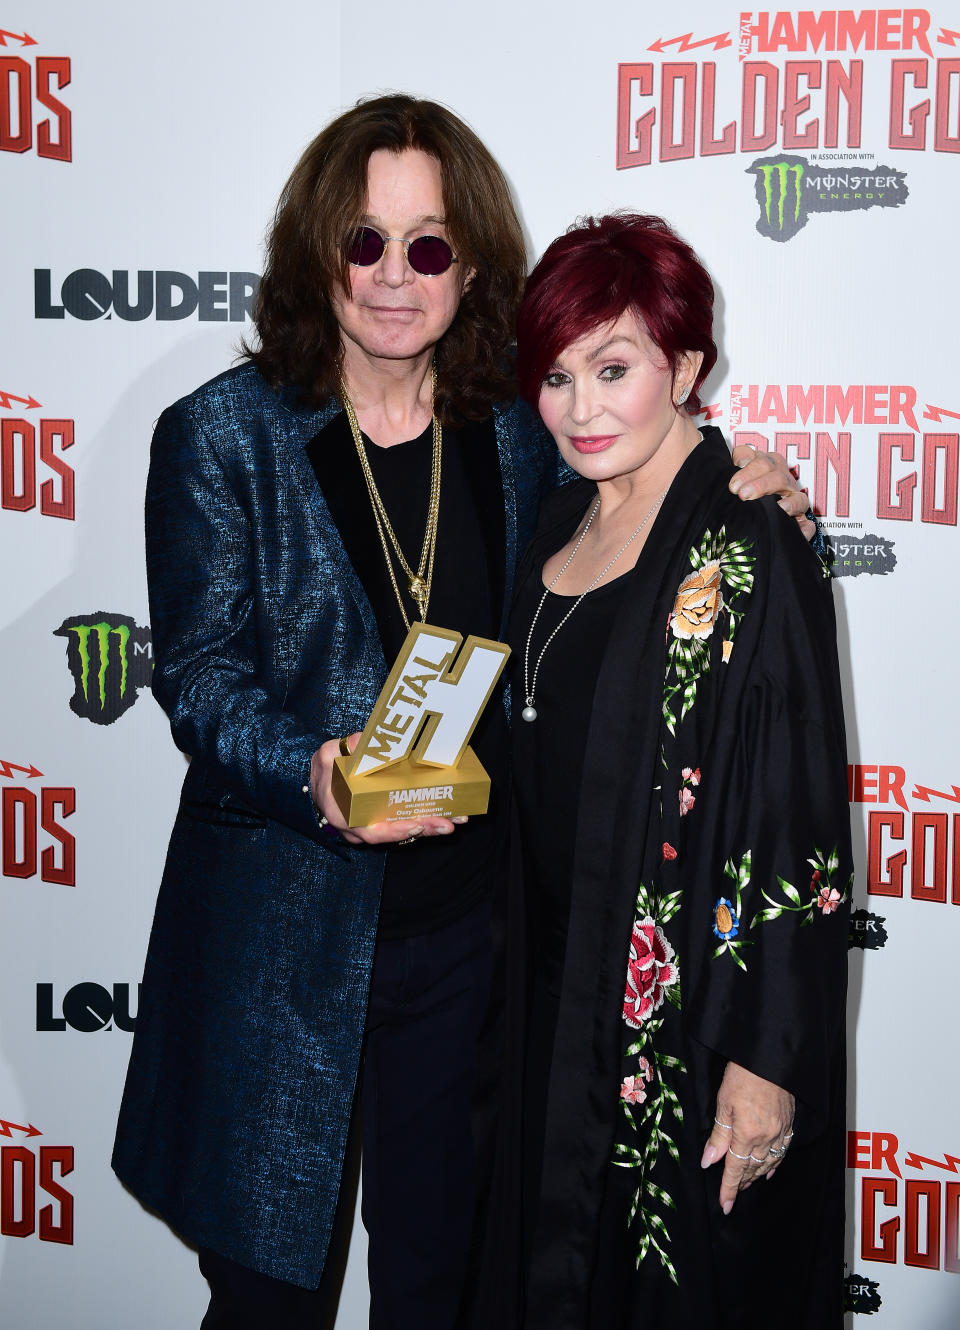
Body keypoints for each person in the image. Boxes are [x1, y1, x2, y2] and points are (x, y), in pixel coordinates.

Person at [111, 97, 811, 1330]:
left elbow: (630, 480)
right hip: (284, 945)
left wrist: (745, 477)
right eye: (363, 242)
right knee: (268, 1302)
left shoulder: (515, 433)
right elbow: (201, 676)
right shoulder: (221, 437)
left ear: (469, 261)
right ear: (315, 252)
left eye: (428, 246)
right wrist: (314, 771)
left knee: (442, 1293)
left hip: (474, 953)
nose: (394, 277)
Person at [480, 213, 852, 1329]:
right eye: (554, 375)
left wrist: (767, 1060)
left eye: (613, 368)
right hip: (544, 1006)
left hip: (686, 1028)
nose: (580, 408)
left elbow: (797, 815)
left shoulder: (748, 540)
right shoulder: (546, 517)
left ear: (685, 365)